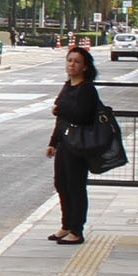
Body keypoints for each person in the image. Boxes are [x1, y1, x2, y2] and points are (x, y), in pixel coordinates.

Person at [46, 44, 101, 244]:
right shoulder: (68, 86)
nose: (72, 65)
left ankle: (77, 230)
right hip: (65, 143)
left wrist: (59, 111)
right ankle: (66, 225)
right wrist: (53, 142)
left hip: (79, 145)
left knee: (75, 187)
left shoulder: (87, 89)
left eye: (77, 62)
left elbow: (84, 116)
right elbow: (61, 119)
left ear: (85, 67)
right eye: (70, 60)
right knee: (61, 184)